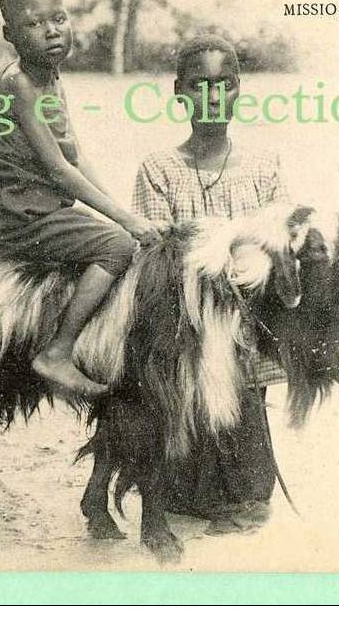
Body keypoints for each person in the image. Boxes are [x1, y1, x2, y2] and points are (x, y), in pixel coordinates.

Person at [0, 0, 164, 399]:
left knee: (118, 232)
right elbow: (58, 171)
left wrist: (121, 212)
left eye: (59, 18)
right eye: (35, 24)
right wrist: (125, 225)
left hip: (29, 205)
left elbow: (73, 156)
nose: (52, 31)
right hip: (9, 216)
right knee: (118, 247)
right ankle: (57, 351)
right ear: (9, 35)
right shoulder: (18, 84)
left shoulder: (48, 77)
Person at [132, 34, 290, 531]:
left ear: (239, 90)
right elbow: (157, 253)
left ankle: (244, 489)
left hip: (248, 316)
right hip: (187, 316)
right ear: (180, 91)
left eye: (224, 85)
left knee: (246, 478)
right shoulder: (159, 169)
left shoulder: (264, 166)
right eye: (200, 85)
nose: (213, 97)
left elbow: (278, 238)